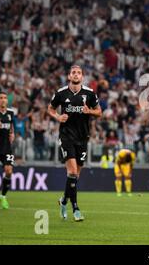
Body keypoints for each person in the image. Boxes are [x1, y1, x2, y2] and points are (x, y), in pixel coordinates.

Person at [47, 65, 102, 221]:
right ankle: (75, 209)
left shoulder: (90, 94)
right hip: (66, 136)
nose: (76, 75)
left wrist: (89, 111)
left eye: (79, 73)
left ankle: (64, 200)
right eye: (73, 73)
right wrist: (58, 117)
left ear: (82, 77)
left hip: (83, 137)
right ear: (69, 76)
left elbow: (99, 112)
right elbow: (50, 108)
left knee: (75, 176)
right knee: (71, 172)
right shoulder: (61, 93)